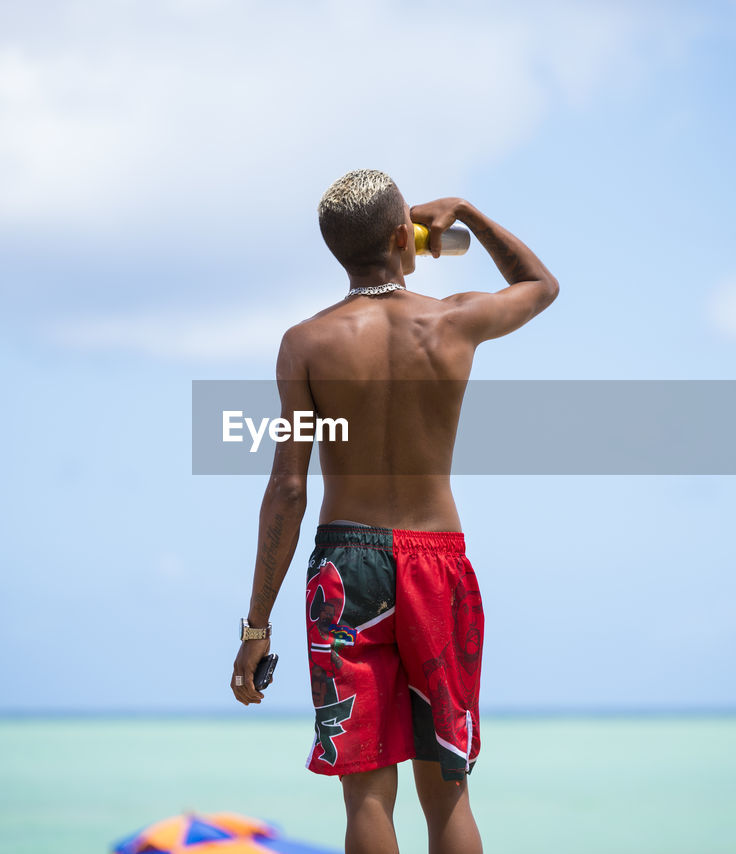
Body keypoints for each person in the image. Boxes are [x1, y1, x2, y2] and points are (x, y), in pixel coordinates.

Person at [229, 169, 558, 854]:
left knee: (367, 796)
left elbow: (288, 490)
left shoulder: (305, 343)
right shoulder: (453, 319)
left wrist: (256, 624)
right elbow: (539, 285)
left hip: (347, 571)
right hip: (437, 562)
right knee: (449, 792)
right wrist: (467, 210)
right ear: (402, 236)